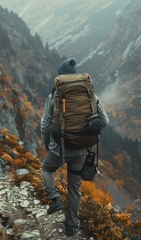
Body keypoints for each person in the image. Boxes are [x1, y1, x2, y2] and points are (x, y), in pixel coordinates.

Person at [40, 57, 109, 236]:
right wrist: (90, 127)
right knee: (74, 188)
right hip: (81, 150)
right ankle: (70, 226)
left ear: (61, 77)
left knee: (45, 170)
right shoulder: (89, 94)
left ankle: (55, 199)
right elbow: (105, 121)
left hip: (59, 148)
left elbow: (45, 125)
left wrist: (48, 145)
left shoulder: (54, 95)